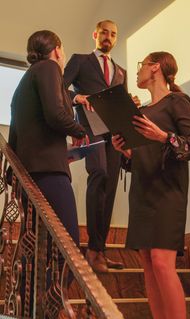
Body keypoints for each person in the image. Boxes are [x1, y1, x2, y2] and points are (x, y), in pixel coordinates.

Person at [112, 51, 190, 319]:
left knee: (163, 263)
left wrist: (165, 137)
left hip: (167, 192)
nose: (138, 72)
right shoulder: (142, 111)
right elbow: (141, 156)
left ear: (156, 67)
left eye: (141, 66)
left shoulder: (178, 101)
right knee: (148, 265)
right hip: (142, 190)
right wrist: (127, 153)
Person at [8, 29, 86, 264]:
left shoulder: (23, 84)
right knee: (69, 248)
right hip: (49, 174)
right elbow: (55, 114)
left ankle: (34, 300)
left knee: (39, 251)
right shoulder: (49, 67)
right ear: (57, 50)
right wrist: (79, 131)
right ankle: (49, 302)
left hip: (30, 177)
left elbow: (17, 136)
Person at [63, 19, 128, 272]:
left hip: (115, 133)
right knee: (99, 173)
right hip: (90, 126)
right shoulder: (80, 60)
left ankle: (100, 249)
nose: (108, 37)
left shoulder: (120, 71)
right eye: (104, 33)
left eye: (113, 34)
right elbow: (59, 88)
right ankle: (91, 250)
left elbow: (122, 105)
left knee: (110, 184)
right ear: (95, 34)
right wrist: (77, 97)